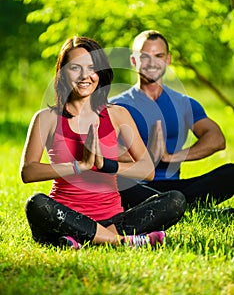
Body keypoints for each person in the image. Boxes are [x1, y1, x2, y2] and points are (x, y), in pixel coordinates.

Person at [20, 36, 186, 250]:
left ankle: (82, 239)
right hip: (64, 216)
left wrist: (105, 164)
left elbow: (147, 170)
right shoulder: (46, 118)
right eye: (75, 68)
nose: (84, 76)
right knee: (36, 204)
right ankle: (121, 241)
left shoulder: (118, 115)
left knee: (175, 200)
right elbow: (28, 172)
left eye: (91, 68)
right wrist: (80, 166)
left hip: (112, 219)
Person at [110, 30, 234, 211]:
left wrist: (171, 157)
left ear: (168, 59)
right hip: (135, 187)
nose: (152, 63)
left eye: (158, 56)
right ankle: (182, 206)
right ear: (133, 61)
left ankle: (175, 204)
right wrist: (147, 157)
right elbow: (103, 151)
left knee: (230, 173)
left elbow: (216, 139)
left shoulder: (183, 103)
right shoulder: (116, 106)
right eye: (145, 57)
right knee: (115, 184)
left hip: (175, 187)